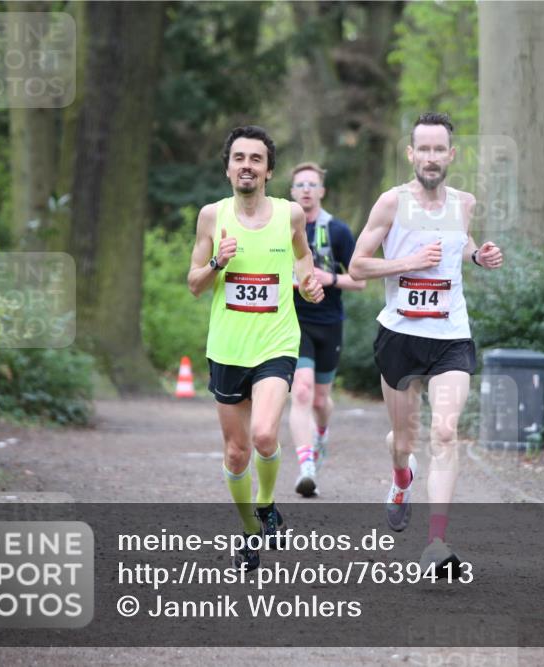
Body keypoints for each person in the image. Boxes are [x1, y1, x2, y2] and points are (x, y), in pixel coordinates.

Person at [348, 112, 503, 574]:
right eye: (425, 149)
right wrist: (410, 261)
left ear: (451, 155)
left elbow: (462, 240)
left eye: (441, 150)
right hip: (399, 335)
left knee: (444, 432)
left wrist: (477, 254)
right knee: (404, 439)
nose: (432, 158)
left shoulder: (465, 203)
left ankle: (437, 542)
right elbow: (357, 266)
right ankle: (401, 478)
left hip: (450, 337)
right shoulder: (391, 204)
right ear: (411, 154)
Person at [187, 125, 324, 571]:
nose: (247, 165)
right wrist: (217, 262)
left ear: (268, 171)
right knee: (235, 452)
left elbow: (303, 257)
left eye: (256, 159)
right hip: (227, 348)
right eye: (239, 158)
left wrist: (308, 282)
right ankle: (249, 530)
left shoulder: (290, 216)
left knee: (265, 434)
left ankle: (266, 504)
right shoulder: (212, 216)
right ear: (228, 168)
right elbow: (194, 285)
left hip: (276, 342)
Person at [287, 161, 365, 497]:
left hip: (329, 323)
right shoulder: (280, 228)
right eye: (300, 185)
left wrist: (329, 278)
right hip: (294, 321)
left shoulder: (338, 231)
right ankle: (306, 466)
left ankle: (321, 432)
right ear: (291, 192)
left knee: (320, 398)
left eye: (311, 185)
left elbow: (360, 280)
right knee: (301, 390)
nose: (305, 190)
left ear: (321, 191)